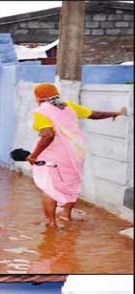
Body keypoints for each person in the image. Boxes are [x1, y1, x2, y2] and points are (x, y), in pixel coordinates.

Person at [26, 83, 127, 227]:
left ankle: (51, 222)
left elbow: (48, 135)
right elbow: (94, 114)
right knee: (71, 183)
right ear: (57, 95)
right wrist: (115, 113)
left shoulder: (41, 111)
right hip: (76, 151)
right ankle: (66, 216)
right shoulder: (68, 106)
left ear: (38, 98)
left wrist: (34, 155)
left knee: (50, 187)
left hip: (55, 154)